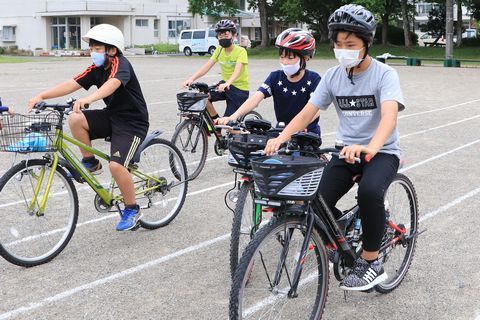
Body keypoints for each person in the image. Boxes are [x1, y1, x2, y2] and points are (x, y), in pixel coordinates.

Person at [264, 4, 405, 291]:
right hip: (344, 152)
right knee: (316, 199)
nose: (344, 50)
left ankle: (371, 261)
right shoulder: (333, 76)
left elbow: (389, 116)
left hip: (382, 151)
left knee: (369, 192)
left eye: (351, 44)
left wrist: (371, 147)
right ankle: (341, 240)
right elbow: (309, 110)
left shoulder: (384, 75)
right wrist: (282, 137)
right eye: (339, 44)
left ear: (367, 44)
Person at [28, 24, 149, 231]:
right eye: (91, 48)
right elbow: (72, 83)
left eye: (97, 48)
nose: (92, 52)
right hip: (112, 116)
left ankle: (132, 208)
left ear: (111, 49)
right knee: (75, 119)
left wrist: (88, 99)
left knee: (116, 166)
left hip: (132, 122)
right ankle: (90, 162)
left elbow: (112, 84)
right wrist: (42, 96)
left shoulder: (121, 64)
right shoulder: (96, 69)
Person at [217, 28, 321, 135]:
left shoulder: (313, 79)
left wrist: (296, 127)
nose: (284, 62)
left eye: (290, 58)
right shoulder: (275, 77)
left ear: (306, 57)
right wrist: (232, 117)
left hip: (307, 134)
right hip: (281, 131)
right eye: (282, 57)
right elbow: (255, 99)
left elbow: (316, 110)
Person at [182, 19, 249, 128]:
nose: (223, 37)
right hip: (225, 86)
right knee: (204, 98)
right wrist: (191, 79)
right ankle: (214, 124)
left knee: (229, 125)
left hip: (239, 89)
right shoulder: (219, 50)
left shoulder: (241, 51)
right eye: (220, 35)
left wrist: (229, 82)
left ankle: (239, 140)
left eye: (226, 34)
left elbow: (237, 71)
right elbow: (207, 66)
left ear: (234, 35)